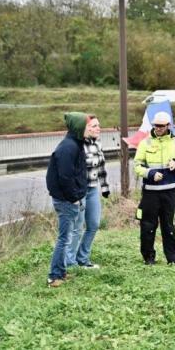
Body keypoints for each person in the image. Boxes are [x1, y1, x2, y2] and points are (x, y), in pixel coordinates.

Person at [46, 112, 93, 287]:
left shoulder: (76, 143)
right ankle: (54, 276)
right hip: (66, 201)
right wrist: (74, 198)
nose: (90, 129)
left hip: (70, 199)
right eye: (87, 126)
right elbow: (65, 177)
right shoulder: (68, 147)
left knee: (66, 238)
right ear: (79, 127)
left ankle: (61, 271)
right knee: (64, 239)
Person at [134, 111, 175, 265]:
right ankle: (148, 258)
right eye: (156, 125)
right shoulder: (145, 143)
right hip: (150, 193)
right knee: (148, 226)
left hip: (170, 192)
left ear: (168, 126)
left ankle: (173, 259)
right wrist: (150, 173)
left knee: (169, 226)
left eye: (162, 126)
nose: (158, 128)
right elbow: (136, 166)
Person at [66, 115, 109, 269]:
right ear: (86, 128)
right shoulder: (77, 146)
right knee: (77, 227)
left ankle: (82, 258)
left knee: (93, 224)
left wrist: (105, 188)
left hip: (92, 190)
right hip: (80, 191)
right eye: (94, 125)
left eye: (99, 125)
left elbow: (101, 168)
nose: (99, 128)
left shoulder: (98, 144)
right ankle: (70, 263)